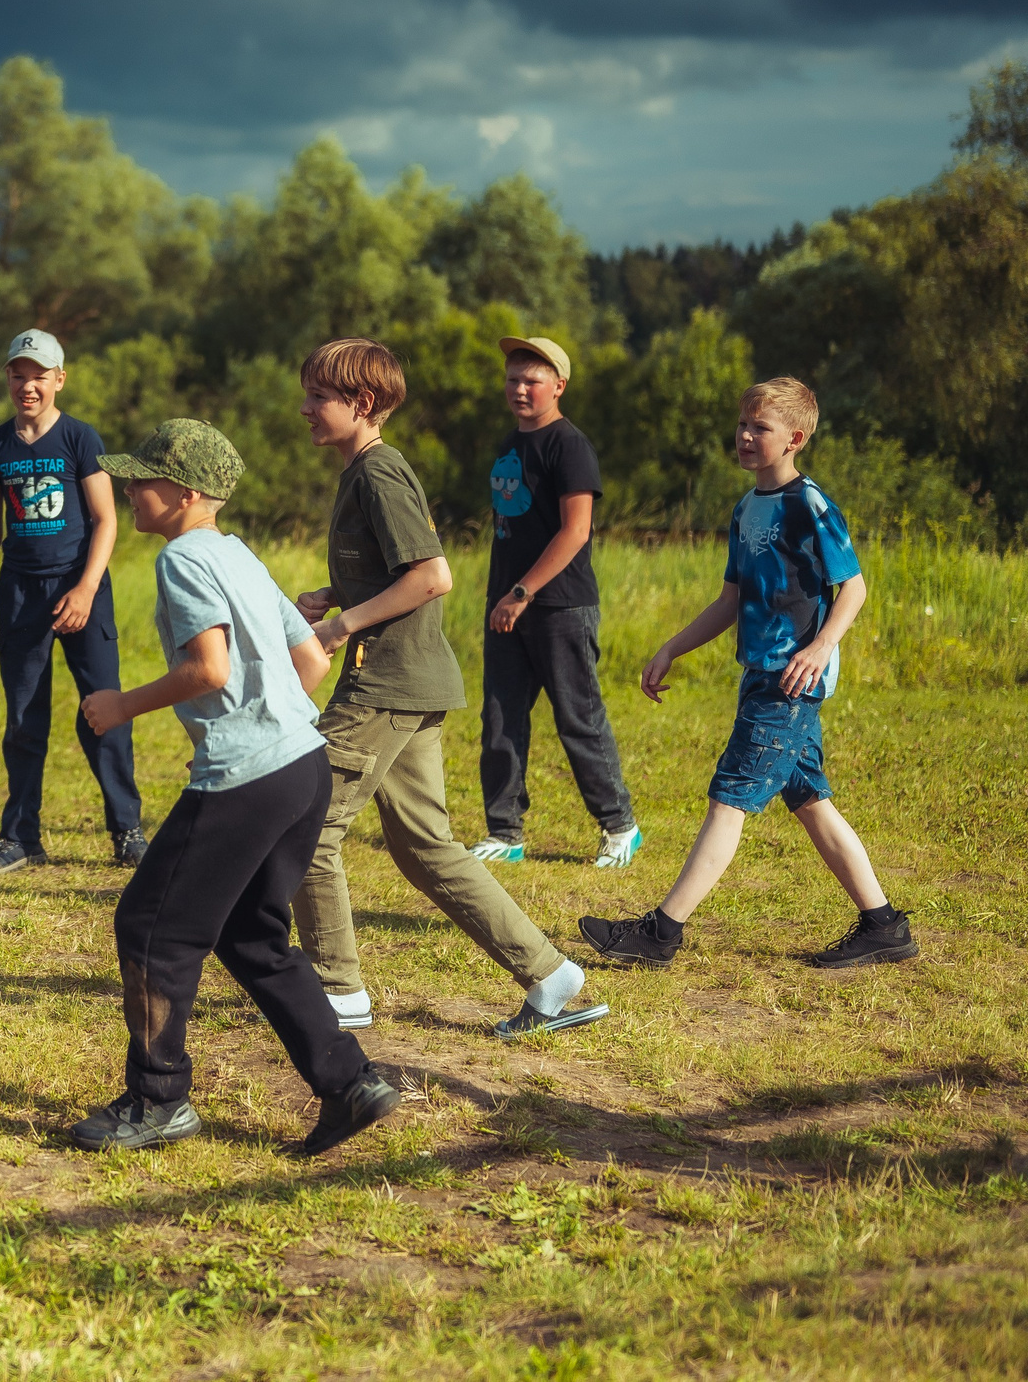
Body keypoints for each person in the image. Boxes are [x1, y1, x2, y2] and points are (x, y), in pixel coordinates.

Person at [66, 419, 400, 1156]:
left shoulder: (182, 558)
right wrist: (261, 718)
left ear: (184, 493)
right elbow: (310, 658)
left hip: (251, 774)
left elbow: (210, 668)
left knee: (151, 926)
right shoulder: (237, 553)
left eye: (142, 478)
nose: (129, 487)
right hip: (302, 764)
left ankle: (158, 1099)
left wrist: (120, 704)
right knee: (252, 934)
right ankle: (351, 1082)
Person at [290, 339, 607, 1041]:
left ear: (362, 404)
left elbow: (433, 575)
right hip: (407, 679)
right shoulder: (360, 472)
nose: (306, 408)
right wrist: (336, 593)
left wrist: (343, 623)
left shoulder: (379, 473)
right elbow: (396, 574)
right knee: (426, 846)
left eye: (319, 396)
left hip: (386, 682)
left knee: (306, 826)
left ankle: (337, 992)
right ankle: (553, 977)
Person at [581, 378, 917, 971]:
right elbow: (729, 601)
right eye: (741, 424)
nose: (743, 436)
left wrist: (819, 648)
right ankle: (883, 926)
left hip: (790, 682)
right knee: (811, 800)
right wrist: (670, 648)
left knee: (728, 800)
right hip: (760, 676)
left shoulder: (809, 505)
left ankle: (661, 934)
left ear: (795, 438)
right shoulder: (745, 509)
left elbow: (854, 588)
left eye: (759, 428)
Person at [0, 329, 144, 875]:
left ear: (59, 380)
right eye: (18, 375)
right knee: (23, 718)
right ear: (8, 378)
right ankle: (20, 839)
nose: (28, 386)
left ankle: (127, 831)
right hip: (20, 595)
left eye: (39, 376)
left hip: (81, 589)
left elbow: (105, 520)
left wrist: (87, 588)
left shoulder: (80, 439)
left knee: (104, 711)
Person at [475, 337, 640, 868]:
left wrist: (523, 593)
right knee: (500, 721)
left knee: (578, 718)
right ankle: (505, 833)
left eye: (532, 380)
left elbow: (575, 532)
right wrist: (505, 596)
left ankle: (620, 827)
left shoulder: (569, 445)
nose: (519, 389)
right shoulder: (509, 444)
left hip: (559, 606)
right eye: (512, 379)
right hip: (506, 605)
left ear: (559, 386)